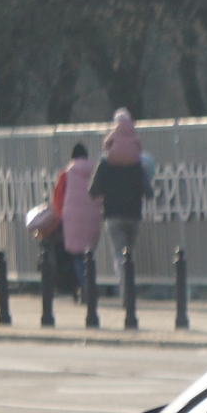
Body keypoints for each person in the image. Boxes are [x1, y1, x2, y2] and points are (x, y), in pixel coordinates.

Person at [88, 110, 149, 292]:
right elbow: (148, 190)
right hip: (134, 214)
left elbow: (92, 190)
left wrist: (102, 194)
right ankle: (129, 286)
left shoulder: (105, 164)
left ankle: (126, 291)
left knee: (119, 254)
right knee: (129, 254)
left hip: (113, 215)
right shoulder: (137, 164)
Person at [51, 143, 103, 301]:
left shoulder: (67, 173)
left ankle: (85, 288)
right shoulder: (96, 170)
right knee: (89, 255)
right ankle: (91, 285)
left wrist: (58, 217)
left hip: (71, 219)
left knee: (77, 257)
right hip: (93, 217)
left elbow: (58, 198)